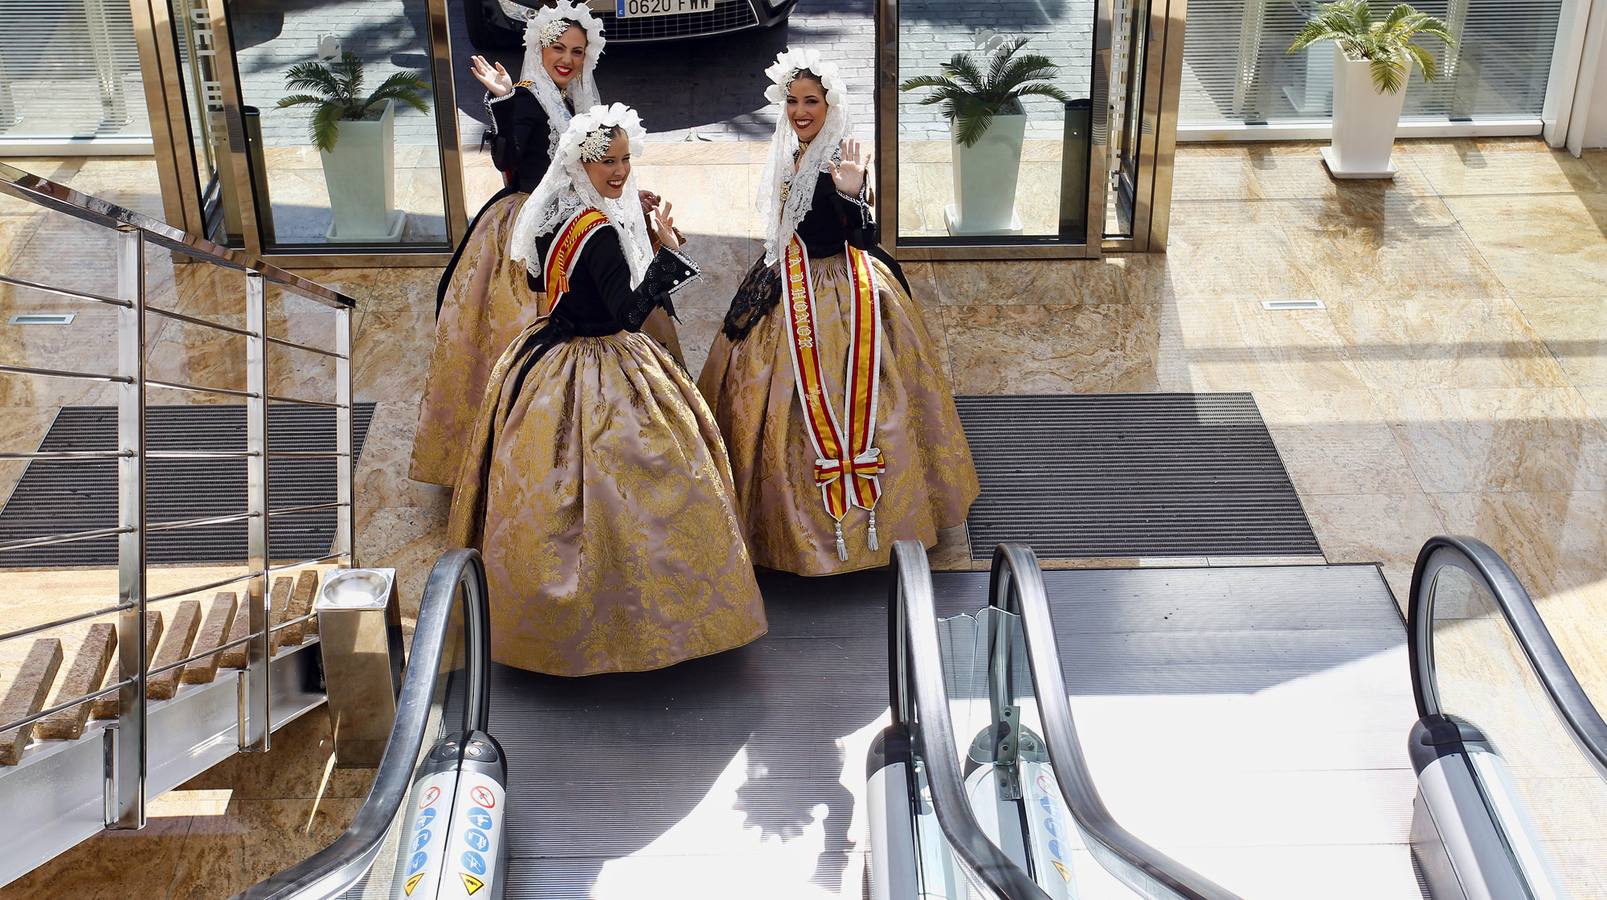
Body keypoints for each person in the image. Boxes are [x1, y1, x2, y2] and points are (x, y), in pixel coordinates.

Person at [448, 104, 767, 676]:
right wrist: (666, 253)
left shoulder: (554, 216)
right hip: (604, 364)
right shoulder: (597, 235)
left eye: (623, 160)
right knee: (652, 483)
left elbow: (533, 279)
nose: (618, 172)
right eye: (605, 161)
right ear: (580, 161)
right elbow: (627, 313)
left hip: (546, 354)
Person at [697, 49, 978, 576]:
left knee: (865, 392)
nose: (801, 111)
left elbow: (862, 237)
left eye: (812, 102)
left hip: (839, 294)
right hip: (790, 281)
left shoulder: (839, 159)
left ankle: (859, 527)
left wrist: (852, 195)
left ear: (831, 105)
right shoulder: (793, 152)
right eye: (793, 101)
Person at [410, 2, 680, 486]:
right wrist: (504, 101)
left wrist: (623, 193)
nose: (568, 59)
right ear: (538, 46)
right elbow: (509, 161)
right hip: (529, 220)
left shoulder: (577, 98)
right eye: (559, 48)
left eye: (577, 51)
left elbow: (588, 166)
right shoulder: (530, 95)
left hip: (579, 220)